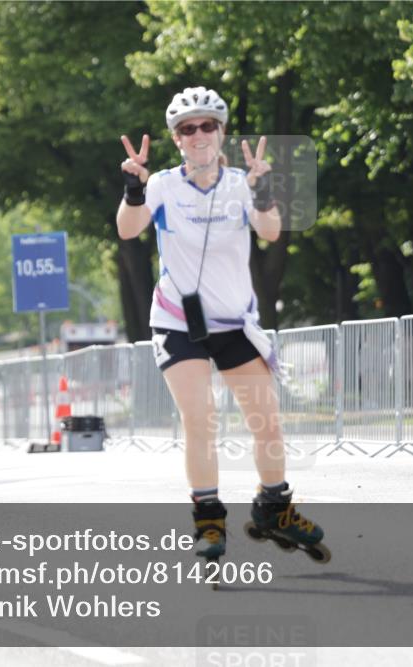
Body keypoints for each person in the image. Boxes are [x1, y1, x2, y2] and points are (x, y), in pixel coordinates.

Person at [116, 86, 326, 563]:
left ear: (222, 132)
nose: (198, 134)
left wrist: (263, 190)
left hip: (234, 323)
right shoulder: (164, 185)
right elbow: (128, 230)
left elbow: (270, 231)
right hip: (178, 321)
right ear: (177, 140)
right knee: (200, 418)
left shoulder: (240, 183)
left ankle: (274, 507)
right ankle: (208, 517)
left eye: (207, 124)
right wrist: (133, 187)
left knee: (267, 424)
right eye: (187, 129)